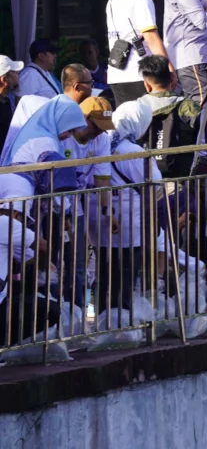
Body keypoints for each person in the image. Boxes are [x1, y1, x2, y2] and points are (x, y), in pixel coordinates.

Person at [0, 150, 77, 343]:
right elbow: (42, 247)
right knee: (49, 310)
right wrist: (45, 269)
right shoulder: (6, 224)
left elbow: (29, 256)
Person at [95, 102, 157, 313]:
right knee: (127, 273)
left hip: (101, 216)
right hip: (131, 221)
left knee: (104, 273)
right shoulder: (134, 151)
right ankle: (122, 320)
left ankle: (104, 318)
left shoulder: (102, 143)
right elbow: (154, 183)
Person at [60, 96, 116, 310]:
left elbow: (103, 177)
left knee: (78, 261)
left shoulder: (101, 140)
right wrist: (62, 215)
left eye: (104, 127)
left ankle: (77, 311)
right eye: (97, 125)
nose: (101, 131)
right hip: (51, 204)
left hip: (77, 204)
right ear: (84, 118)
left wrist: (107, 211)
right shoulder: (63, 137)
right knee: (54, 260)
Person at [106, 0, 171, 106]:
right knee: (149, 125)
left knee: (128, 125)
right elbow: (151, 38)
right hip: (139, 73)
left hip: (116, 74)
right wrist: (168, 68)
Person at [137, 55, 202, 179]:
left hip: (146, 175)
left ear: (147, 85)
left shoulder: (136, 108)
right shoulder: (188, 106)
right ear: (172, 77)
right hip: (182, 175)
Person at [1, 96, 87, 166]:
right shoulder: (45, 141)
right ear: (58, 120)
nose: (69, 136)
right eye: (69, 130)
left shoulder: (37, 134)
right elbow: (54, 181)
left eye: (73, 131)